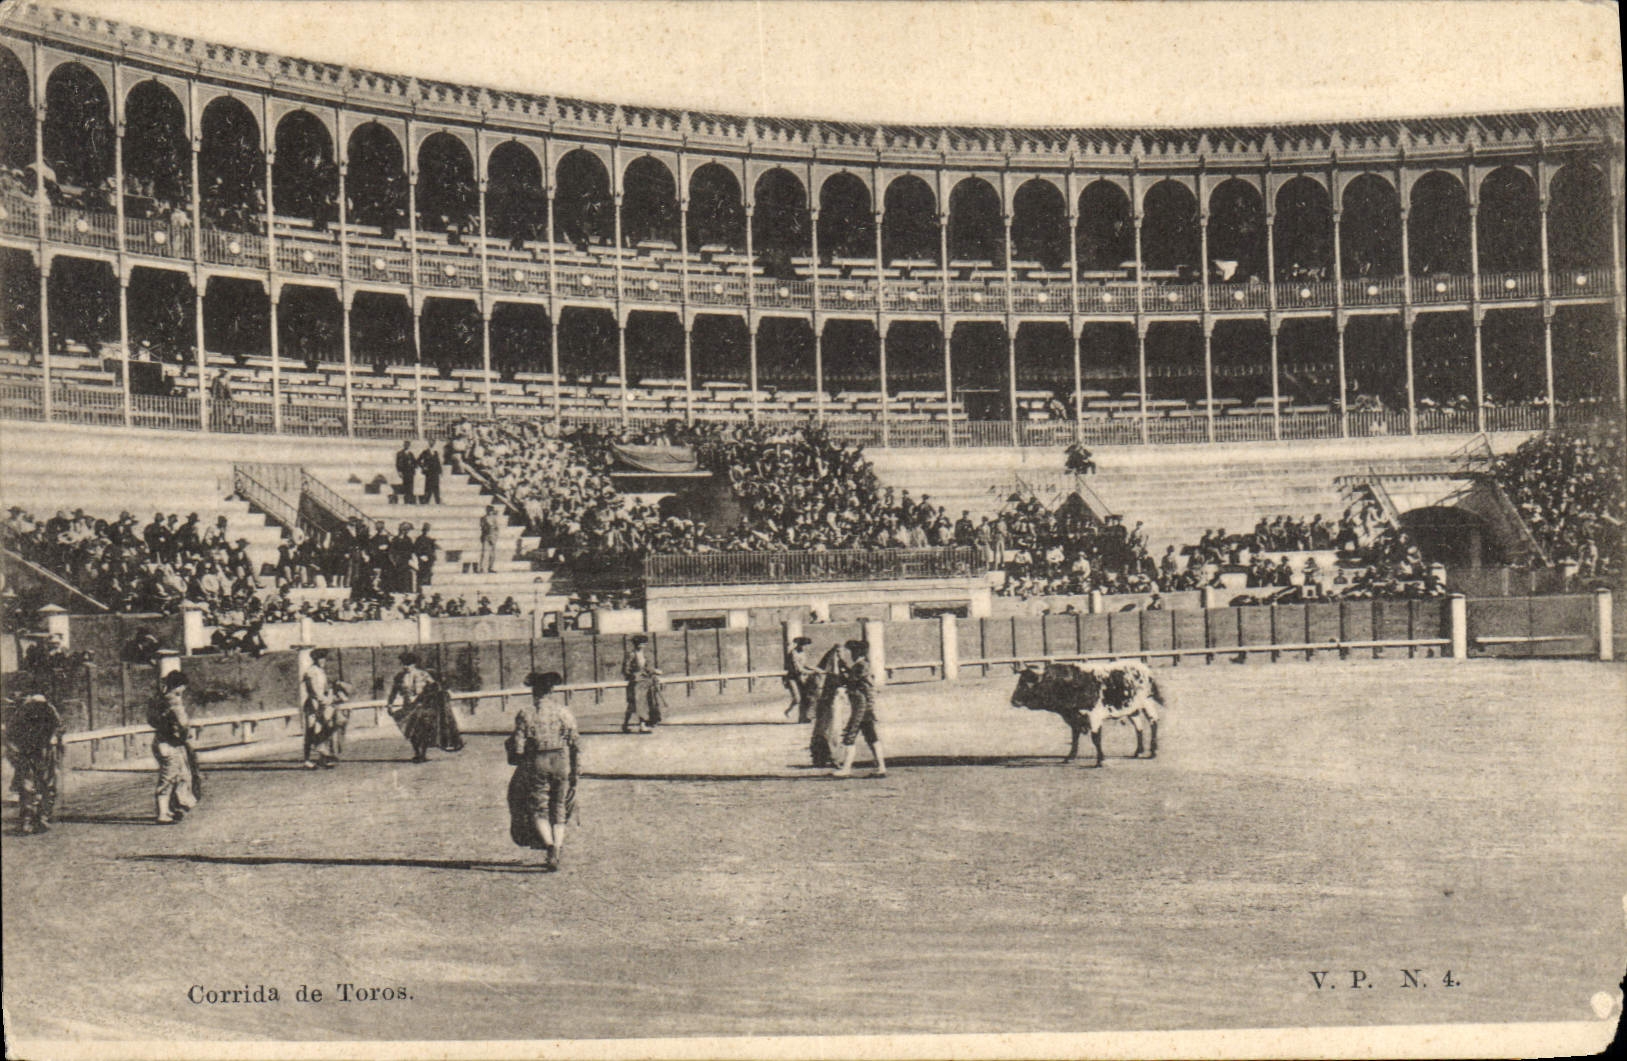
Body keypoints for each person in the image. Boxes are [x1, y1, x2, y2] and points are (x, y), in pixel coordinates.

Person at [506, 671, 581, 872]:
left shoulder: (525, 713)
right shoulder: (563, 711)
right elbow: (575, 742)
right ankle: (557, 846)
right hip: (561, 761)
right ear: (551, 691)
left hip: (537, 761)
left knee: (539, 807)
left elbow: (518, 748)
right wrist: (576, 769)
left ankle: (550, 849)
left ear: (534, 692)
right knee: (559, 806)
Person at [384, 652, 463, 762]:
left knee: (423, 730)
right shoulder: (399, 677)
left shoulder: (423, 674)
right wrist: (389, 704)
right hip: (408, 706)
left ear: (413, 664)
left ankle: (422, 754)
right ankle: (417, 752)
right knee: (411, 731)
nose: (406, 667)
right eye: (404, 664)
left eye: (408, 664)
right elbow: (394, 691)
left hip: (423, 705)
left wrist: (442, 692)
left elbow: (436, 686)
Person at [5, 692, 64, 834]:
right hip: (31, 753)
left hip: (43, 752)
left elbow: (59, 728)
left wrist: (54, 740)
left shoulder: (47, 710)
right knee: (31, 786)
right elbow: (11, 735)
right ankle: (30, 820)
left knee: (42, 786)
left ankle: (39, 818)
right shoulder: (24, 713)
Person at [147, 670, 199, 824]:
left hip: (161, 740)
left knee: (173, 776)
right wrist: (186, 734)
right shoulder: (174, 701)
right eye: (183, 686)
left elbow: (151, 720)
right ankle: (162, 814)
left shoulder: (159, 699)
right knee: (169, 777)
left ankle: (167, 810)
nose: (183, 689)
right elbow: (183, 723)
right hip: (170, 743)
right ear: (179, 685)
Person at [833, 640, 886, 778]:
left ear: (857, 652)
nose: (851, 654)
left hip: (860, 705)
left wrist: (840, 667)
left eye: (852, 652)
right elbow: (851, 675)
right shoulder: (862, 665)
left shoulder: (860, 665)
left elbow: (848, 680)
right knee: (871, 736)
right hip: (866, 705)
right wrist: (842, 663)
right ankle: (881, 767)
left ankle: (846, 769)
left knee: (850, 735)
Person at [808, 639, 853, 768]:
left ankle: (823, 756)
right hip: (832, 701)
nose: (840, 654)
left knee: (826, 728)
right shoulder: (834, 669)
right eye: (839, 652)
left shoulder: (834, 667)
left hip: (830, 701)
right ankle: (832, 757)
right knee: (833, 728)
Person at [301, 649, 339, 769]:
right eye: (320, 659)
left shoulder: (320, 671)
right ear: (315, 660)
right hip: (313, 705)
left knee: (326, 728)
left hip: (322, 704)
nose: (322, 661)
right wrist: (328, 701)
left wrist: (331, 695)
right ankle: (307, 760)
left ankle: (322, 758)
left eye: (324, 659)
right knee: (310, 731)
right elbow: (315, 692)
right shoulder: (311, 672)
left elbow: (325, 688)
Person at [621, 634, 663, 734]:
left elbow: (647, 668)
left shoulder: (645, 654)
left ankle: (636, 725)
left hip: (645, 682)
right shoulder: (631, 654)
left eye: (644, 643)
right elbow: (625, 670)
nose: (643, 645)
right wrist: (635, 675)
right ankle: (631, 725)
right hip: (636, 683)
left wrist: (654, 671)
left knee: (642, 704)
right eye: (641, 643)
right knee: (634, 704)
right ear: (636, 644)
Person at [783, 635, 816, 722]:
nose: (806, 648)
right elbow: (798, 669)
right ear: (800, 645)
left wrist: (816, 669)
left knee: (805, 698)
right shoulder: (793, 653)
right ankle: (788, 711)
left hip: (801, 678)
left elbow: (805, 665)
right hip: (792, 678)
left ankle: (802, 718)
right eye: (805, 645)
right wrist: (812, 672)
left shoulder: (802, 653)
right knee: (797, 699)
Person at [478, 505, 502, 574]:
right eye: (488, 510)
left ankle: (490, 567)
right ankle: (481, 568)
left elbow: (497, 529)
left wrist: (495, 537)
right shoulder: (483, 518)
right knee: (484, 553)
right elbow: (483, 527)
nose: (490, 512)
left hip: (493, 537)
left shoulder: (494, 519)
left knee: (492, 554)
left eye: (491, 511)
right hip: (486, 536)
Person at [395, 440, 418, 505]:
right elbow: (397, 464)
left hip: (411, 473)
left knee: (410, 487)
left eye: (408, 445)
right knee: (405, 486)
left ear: (409, 446)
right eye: (405, 444)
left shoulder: (411, 454)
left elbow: (415, 462)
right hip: (404, 472)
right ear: (403, 445)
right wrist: (399, 472)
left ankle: (410, 500)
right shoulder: (400, 453)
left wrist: (415, 466)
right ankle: (406, 500)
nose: (406, 446)